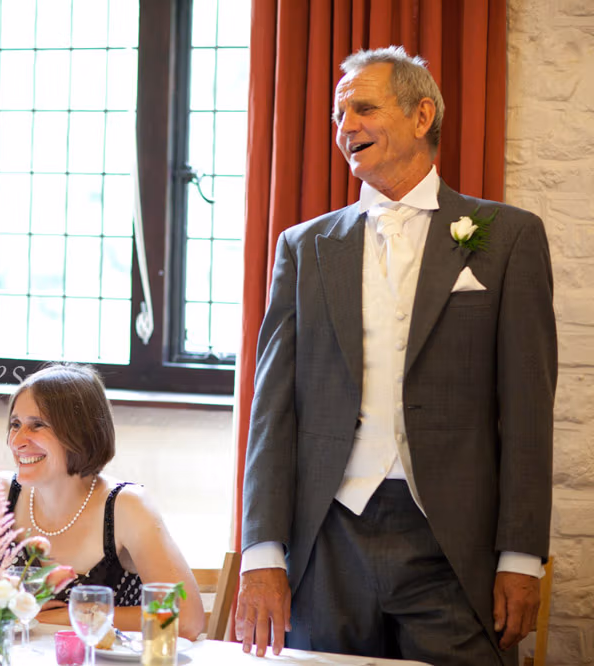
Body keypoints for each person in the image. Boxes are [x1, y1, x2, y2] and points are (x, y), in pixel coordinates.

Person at [235, 46, 556, 665]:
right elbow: (271, 412)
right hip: (327, 538)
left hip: (454, 542)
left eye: (363, 108)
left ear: (421, 115)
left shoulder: (508, 237)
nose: (344, 127)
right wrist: (262, 553)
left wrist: (520, 555)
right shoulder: (303, 247)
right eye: (338, 115)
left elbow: (527, 410)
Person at [0, 363, 205, 640]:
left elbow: (187, 620)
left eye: (37, 425)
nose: (17, 440)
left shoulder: (126, 506)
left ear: (80, 433)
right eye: (15, 424)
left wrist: (62, 614)